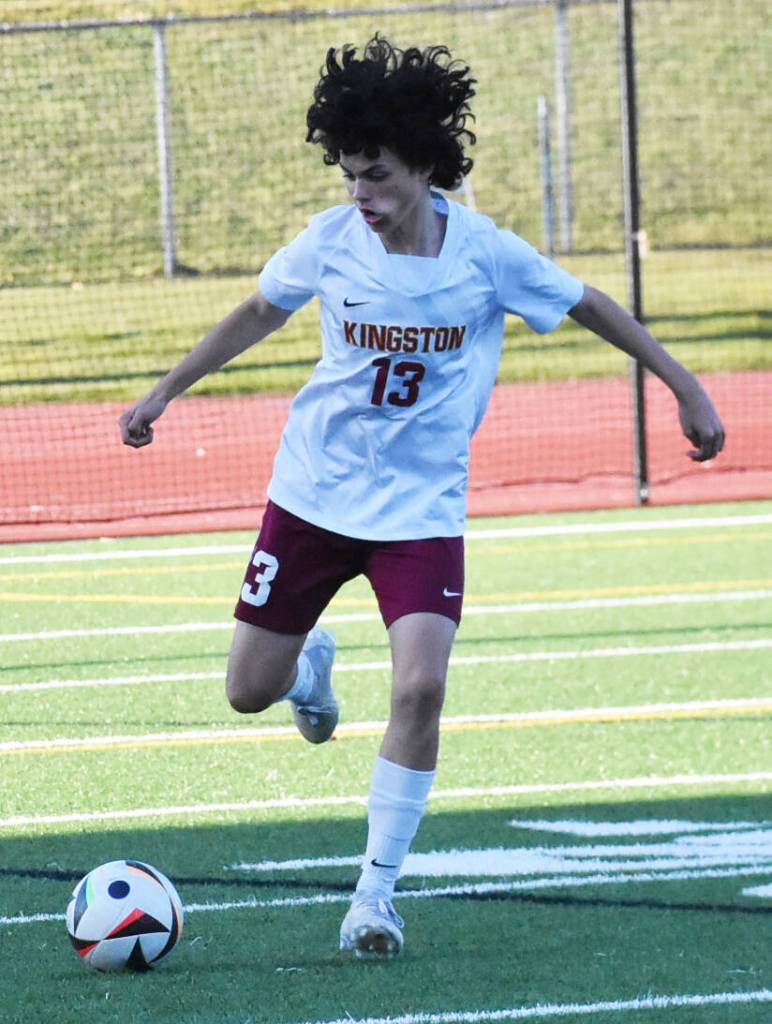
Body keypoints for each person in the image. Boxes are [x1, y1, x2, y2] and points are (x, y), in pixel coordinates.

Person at [119, 36, 725, 960]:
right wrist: (165, 391)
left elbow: (593, 303)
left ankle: (374, 899)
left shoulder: (485, 255)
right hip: (315, 496)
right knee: (248, 692)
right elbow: (258, 311)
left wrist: (685, 386)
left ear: (426, 166)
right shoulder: (329, 242)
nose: (361, 195)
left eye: (378, 177)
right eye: (351, 176)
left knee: (422, 684)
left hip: (422, 513)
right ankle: (310, 664)